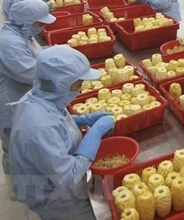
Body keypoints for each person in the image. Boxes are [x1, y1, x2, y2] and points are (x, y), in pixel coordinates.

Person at [9, 45, 115, 219]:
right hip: (53, 197)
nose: (80, 89)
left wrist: (81, 119)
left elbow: (56, 120)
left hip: (52, 177)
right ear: (61, 84)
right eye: (79, 83)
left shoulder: (41, 96)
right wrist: (94, 133)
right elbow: (68, 177)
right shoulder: (39, 127)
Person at [0, 0, 55, 197]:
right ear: (27, 21)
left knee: (22, 147)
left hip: (19, 96)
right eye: (39, 23)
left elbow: (36, 55)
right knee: (13, 150)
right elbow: (33, 73)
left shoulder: (20, 32)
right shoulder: (9, 44)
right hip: (7, 103)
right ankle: (17, 190)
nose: (42, 28)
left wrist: (56, 52)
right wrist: (64, 74)